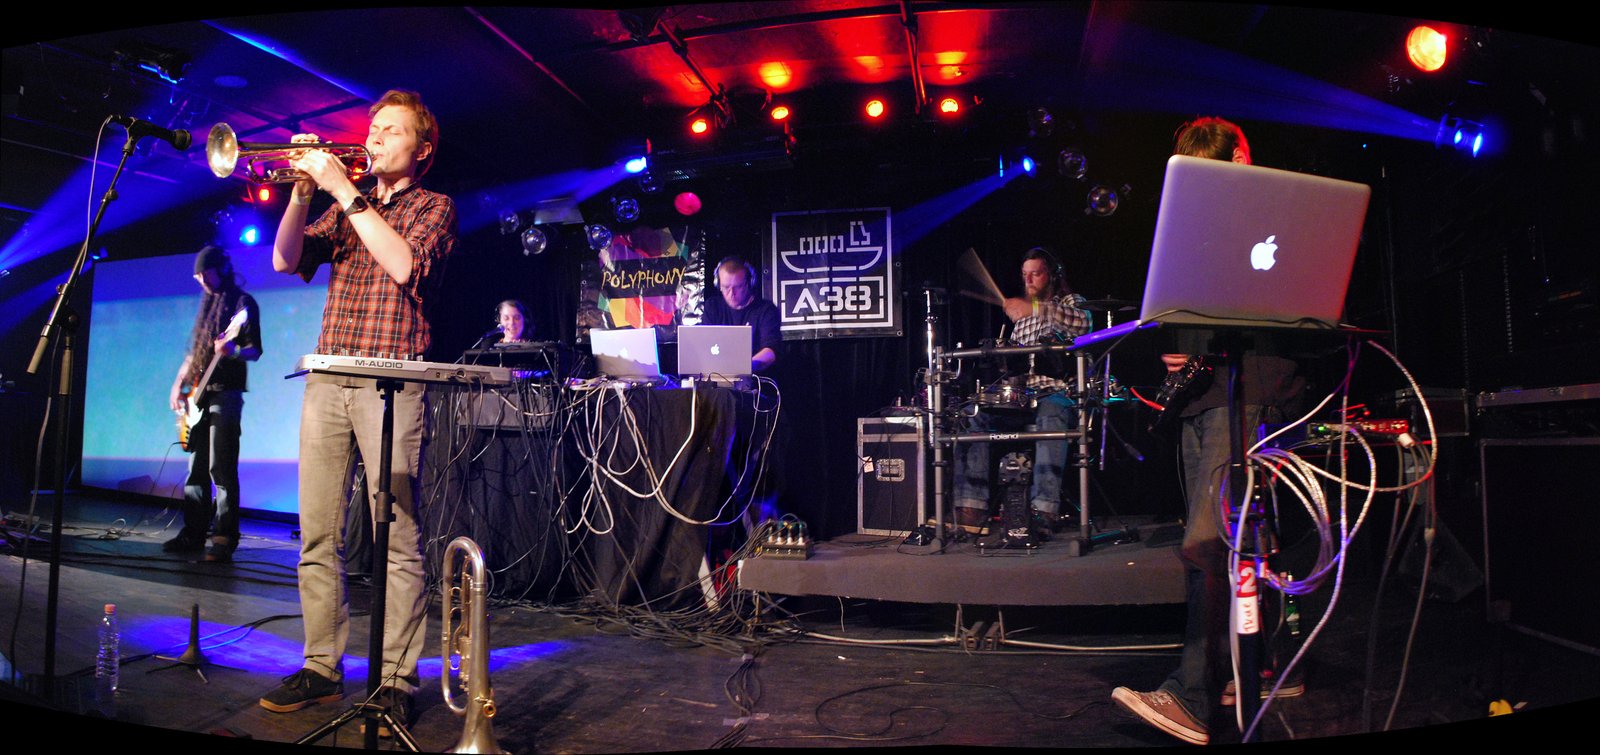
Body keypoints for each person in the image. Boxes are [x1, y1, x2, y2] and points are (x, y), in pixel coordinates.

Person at [259, 89, 456, 734]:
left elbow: (403, 265)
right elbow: (285, 258)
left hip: (389, 384)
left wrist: (343, 189)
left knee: (396, 537)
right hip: (327, 379)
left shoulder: (433, 206)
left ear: (421, 149)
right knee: (317, 533)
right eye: (373, 128)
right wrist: (300, 193)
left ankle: (396, 677)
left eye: (391, 130)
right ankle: (321, 667)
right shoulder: (348, 205)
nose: (374, 138)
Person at [1112, 117, 1305, 745]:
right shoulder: (1198, 230)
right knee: (1245, 540)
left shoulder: (1276, 221)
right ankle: (1267, 665)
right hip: (1205, 400)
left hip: (1246, 393)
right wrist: (1179, 351)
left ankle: (1193, 698)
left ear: (1239, 161)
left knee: (1208, 544)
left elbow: (1286, 310)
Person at [954, 247, 1092, 533]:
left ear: (1052, 275)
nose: (1028, 281)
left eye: (1036, 274)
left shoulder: (1070, 302)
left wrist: (1035, 308)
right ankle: (971, 507)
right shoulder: (1021, 321)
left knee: (1052, 412)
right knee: (971, 416)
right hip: (1022, 399)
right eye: (1024, 275)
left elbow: (1082, 323)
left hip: (1056, 394)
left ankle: (1044, 509)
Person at [166, 244, 262, 563]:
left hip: (226, 393)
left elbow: (254, 351)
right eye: (198, 278)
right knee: (195, 468)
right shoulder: (207, 304)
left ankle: (224, 536)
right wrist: (179, 384)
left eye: (206, 275)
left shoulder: (243, 304)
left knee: (220, 467)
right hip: (200, 395)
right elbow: (194, 352)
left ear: (222, 269)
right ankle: (193, 532)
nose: (203, 282)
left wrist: (232, 350)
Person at [701, 256, 781, 372]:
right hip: (717, 377)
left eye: (738, 287)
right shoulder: (713, 307)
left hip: (755, 378)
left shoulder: (765, 310)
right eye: (726, 287)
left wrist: (742, 369)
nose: (731, 293)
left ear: (749, 283)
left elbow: (771, 351)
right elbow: (705, 345)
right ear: (718, 284)